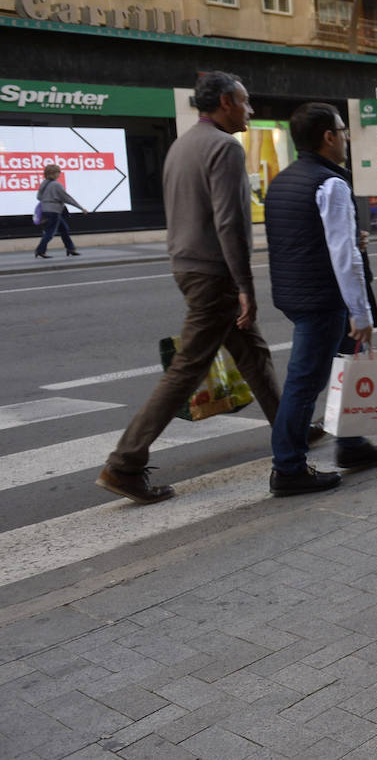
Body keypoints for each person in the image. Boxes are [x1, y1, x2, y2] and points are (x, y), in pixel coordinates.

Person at [97, 72, 282, 504]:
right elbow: (229, 222)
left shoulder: (181, 145)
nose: (250, 110)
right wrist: (245, 285)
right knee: (187, 368)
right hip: (214, 271)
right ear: (225, 102)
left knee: (252, 352)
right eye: (245, 101)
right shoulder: (224, 147)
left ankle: (290, 427)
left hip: (187, 264)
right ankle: (124, 463)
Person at [263, 103, 377, 496]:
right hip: (323, 299)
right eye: (342, 130)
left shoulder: (283, 180)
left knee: (347, 364)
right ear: (328, 136)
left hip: (296, 292)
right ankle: (288, 467)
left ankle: (351, 443)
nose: (346, 138)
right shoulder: (330, 184)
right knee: (305, 382)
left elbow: (301, 237)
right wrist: (360, 312)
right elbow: (343, 255)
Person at [34, 164, 89, 258]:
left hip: (46, 210)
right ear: (54, 173)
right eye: (58, 172)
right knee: (50, 232)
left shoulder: (44, 183)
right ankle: (40, 250)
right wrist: (81, 208)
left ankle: (71, 249)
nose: (59, 174)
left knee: (63, 229)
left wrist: (48, 199)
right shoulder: (56, 185)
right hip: (54, 211)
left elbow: (39, 197)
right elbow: (67, 198)